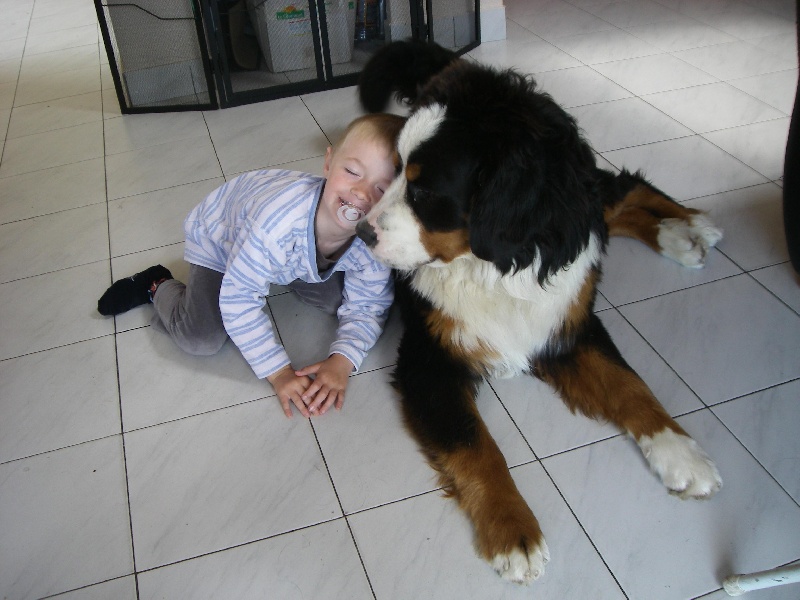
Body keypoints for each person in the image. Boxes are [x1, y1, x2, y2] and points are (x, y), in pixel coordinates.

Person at [98, 113, 405, 418]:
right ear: (328, 162)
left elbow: (369, 305)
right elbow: (239, 300)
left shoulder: (374, 238)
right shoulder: (274, 226)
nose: (362, 193)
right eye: (352, 171)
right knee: (200, 338)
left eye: (382, 189)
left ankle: (287, 268)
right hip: (223, 237)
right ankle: (155, 284)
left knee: (340, 300)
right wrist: (279, 372)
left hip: (283, 247)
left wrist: (343, 360)